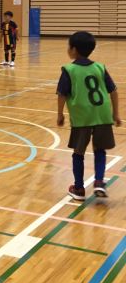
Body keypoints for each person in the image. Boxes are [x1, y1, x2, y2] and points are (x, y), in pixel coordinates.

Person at [57, 31, 121, 201]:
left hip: (82, 117)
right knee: (100, 149)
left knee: (78, 153)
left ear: (74, 49)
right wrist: (116, 113)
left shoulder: (69, 70)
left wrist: (60, 115)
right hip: (102, 115)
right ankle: (99, 181)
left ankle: (79, 189)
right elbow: (113, 91)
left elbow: (62, 94)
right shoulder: (100, 67)